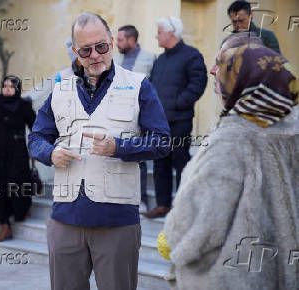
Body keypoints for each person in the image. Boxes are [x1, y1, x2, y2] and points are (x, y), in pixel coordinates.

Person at [28, 12, 170, 290]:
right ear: (75, 52)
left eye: (101, 46)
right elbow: (36, 138)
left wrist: (118, 147)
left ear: (112, 43)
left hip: (117, 222)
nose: (95, 55)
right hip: (65, 220)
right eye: (86, 49)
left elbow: (162, 141)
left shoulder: (139, 85)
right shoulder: (60, 89)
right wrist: (50, 153)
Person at [161, 34, 298, 289]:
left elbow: (197, 224)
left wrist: (171, 239)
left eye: (224, 69)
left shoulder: (233, 138)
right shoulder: (294, 128)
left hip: (232, 278)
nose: (215, 73)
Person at [145, 16, 207, 218]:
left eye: (159, 32)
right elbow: (152, 88)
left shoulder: (192, 56)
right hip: (159, 123)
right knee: (160, 162)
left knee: (181, 163)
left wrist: (177, 104)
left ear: (171, 32)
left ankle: (183, 207)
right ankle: (163, 205)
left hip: (180, 120)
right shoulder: (160, 60)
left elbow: (198, 84)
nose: (156, 36)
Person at [0, 75, 36, 242]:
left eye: (11, 86)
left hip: (17, 154)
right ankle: (4, 226)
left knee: (16, 187)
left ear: (17, 89)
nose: (7, 89)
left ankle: (22, 209)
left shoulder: (24, 106)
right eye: (5, 86)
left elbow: (36, 128)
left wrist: (36, 148)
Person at [114, 24, 156, 213]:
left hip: (139, 116)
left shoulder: (150, 58)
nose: (117, 43)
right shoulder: (115, 59)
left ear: (132, 40)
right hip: (116, 116)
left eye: (121, 39)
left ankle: (141, 199)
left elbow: (154, 87)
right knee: (115, 155)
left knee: (139, 157)